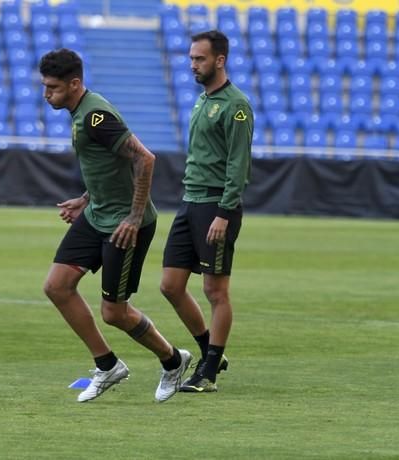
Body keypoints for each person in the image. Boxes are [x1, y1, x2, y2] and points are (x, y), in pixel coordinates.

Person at [40, 48, 191, 403]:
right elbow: (106, 167)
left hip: (125, 225)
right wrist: (86, 198)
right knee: (57, 287)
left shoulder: (96, 117)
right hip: (98, 215)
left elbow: (144, 158)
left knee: (115, 313)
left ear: (75, 84)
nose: (47, 94)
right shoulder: (79, 113)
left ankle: (172, 360)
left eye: (53, 87)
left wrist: (134, 217)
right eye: (45, 86)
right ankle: (107, 365)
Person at [160, 31, 253, 393]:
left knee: (216, 291)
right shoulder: (202, 101)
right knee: (170, 286)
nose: (192, 65)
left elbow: (238, 164)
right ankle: (208, 350)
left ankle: (209, 372)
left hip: (217, 206)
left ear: (220, 60)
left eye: (199, 59)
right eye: (191, 58)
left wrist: (225, 212)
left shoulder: (236, 105)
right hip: (190, 201)